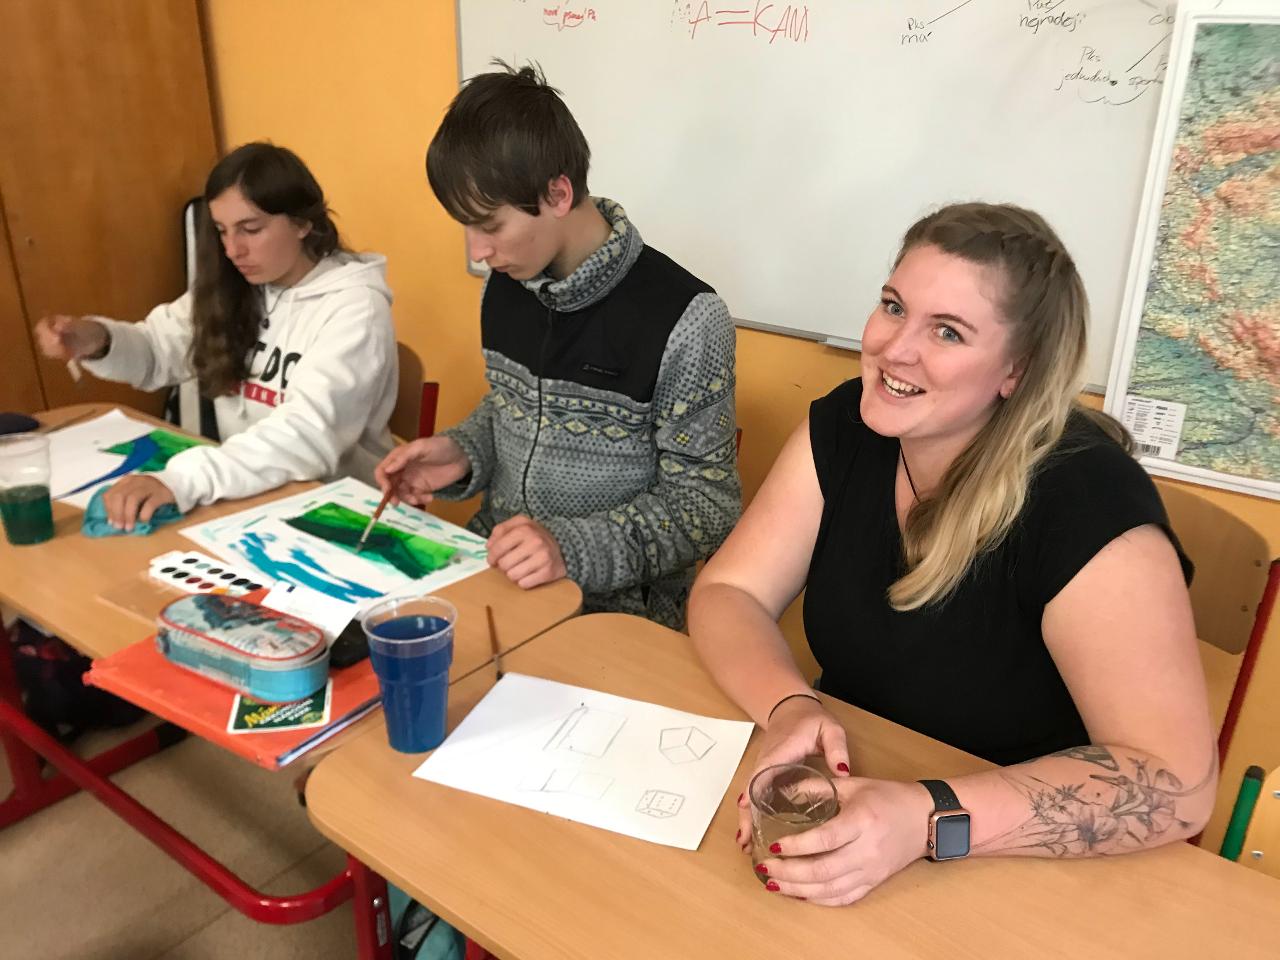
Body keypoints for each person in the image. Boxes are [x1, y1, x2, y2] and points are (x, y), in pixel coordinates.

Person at [688, 202, 1216, 905]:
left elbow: (1177, 787)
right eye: (893, 306)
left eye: (947, 331)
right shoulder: (850, 424)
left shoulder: (1088, 503)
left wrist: (929, 819)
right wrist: (788, 705)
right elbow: (730, 592)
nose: (895, 349)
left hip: (1013, 863)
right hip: (857, 798)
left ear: (1015, 371)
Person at [377, 63, 740, 629]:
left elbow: (707, 505)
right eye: (464, 227)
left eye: (489, 225)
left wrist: (569, 548)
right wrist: (463, 451)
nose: (477, 252)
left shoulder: (687, 318)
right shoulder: (506, 285)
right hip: (494, 576)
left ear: (558, 193)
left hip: (613, 615)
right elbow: (514, 411)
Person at [35, 142, 398, 530]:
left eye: (251, 229)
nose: (233, 250)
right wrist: (98, 340)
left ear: (302, 223)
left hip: (340, 511)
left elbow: (308, 434)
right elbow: (158, 349)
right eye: (222, 231)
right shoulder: (238, 287)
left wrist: (183, 480)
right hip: (251, 496)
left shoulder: (355, 307)